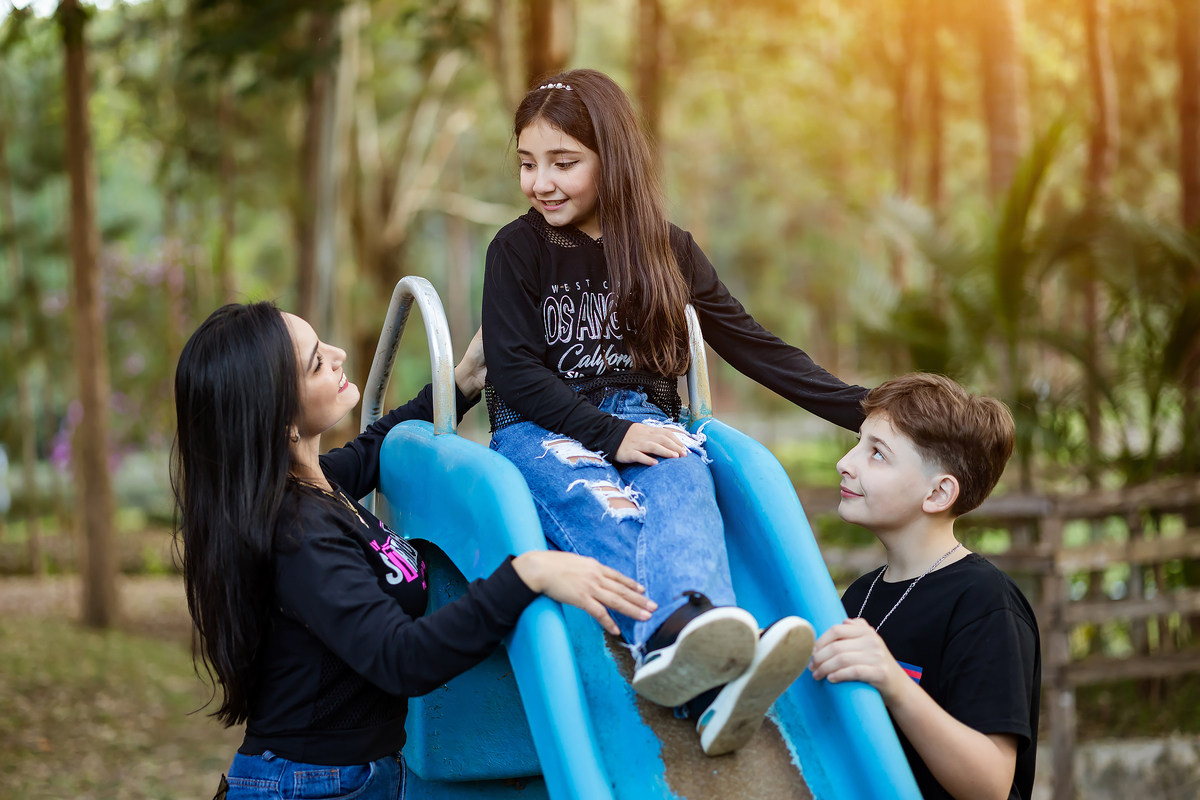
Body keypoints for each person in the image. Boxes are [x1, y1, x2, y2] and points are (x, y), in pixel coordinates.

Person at [481, 68, 869, 756]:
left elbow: (753, 345)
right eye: (527, 163)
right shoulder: (517, 250)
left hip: (643, 416)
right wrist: (610, 435)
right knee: (602, 505)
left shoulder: (667, 248)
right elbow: (513, 371)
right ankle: (666, 635)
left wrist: (862, 409)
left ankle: (704, 655)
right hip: (541, 427)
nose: (540, 182)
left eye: (563, 163)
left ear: (613, 160)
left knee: (686, 485)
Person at [172, 302, 655, 800]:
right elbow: (401, 657)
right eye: (317, 362)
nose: (338, 355)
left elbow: (376, 446)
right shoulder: (298, 534)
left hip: (350, 773)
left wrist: (465, 378)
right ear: (278, 419)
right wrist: (524, 575)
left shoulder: (316, 484)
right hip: (312, 785)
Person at [809, 373, 1041, 800]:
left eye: (877, 453)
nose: (847, 462)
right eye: (859, 442)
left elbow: (990, 784)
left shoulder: (985, 600)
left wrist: (892, 682)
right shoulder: (859, 596)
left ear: (938, 493)